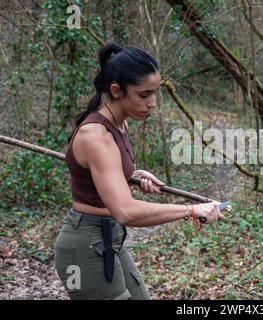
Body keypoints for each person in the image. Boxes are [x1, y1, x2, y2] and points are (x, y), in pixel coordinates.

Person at [54, 41, 224, 300]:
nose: (152, 103)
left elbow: (101, 172)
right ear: (116, 90)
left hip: (110, 240)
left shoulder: (119, 124)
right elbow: (125, 211)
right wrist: (190, 210)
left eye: (155, 93)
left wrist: (131, 174)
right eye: (144, 95)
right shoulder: (96, 136)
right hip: (86, 246)